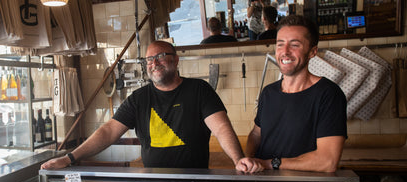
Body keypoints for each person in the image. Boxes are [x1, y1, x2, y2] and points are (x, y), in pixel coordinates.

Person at [41, 41, 245, 170]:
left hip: (195, 181)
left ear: (176, 60)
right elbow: (109, 131)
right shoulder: (139, 98)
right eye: (149, 59)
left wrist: (238, 160)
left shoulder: (199, 89)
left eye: (160, 57)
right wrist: (70, 158)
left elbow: (221, 128)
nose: (154, 63)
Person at [235, 15, 347, 173]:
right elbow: (256, 134)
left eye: (295, 45)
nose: (285, 52)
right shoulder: (268, 92)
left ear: (312, 52)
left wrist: (269, 163)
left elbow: (327, 161)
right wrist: (247, 160)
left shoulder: (328, 94)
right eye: (280, 44)